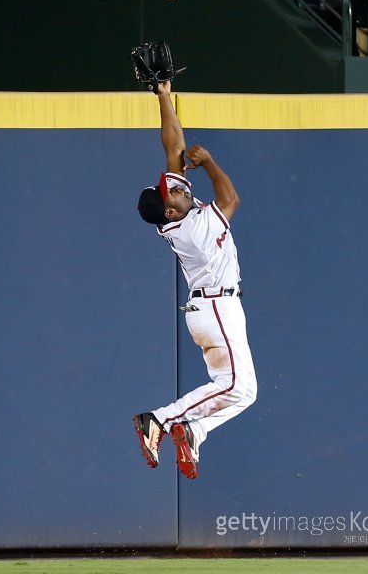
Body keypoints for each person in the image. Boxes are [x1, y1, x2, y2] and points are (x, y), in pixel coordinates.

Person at [132, 81, 257, 480]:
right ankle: (161, 419)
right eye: (172, 193)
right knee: (235, 384)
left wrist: (164, 96)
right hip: (217, 307)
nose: (177, 187)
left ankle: (194, 429)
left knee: (243, 392)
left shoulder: (176, 210)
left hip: (210, 308)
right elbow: (232, 199)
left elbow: (173, 146)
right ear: (171, 212)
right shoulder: (195, 227)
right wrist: (212, 164)